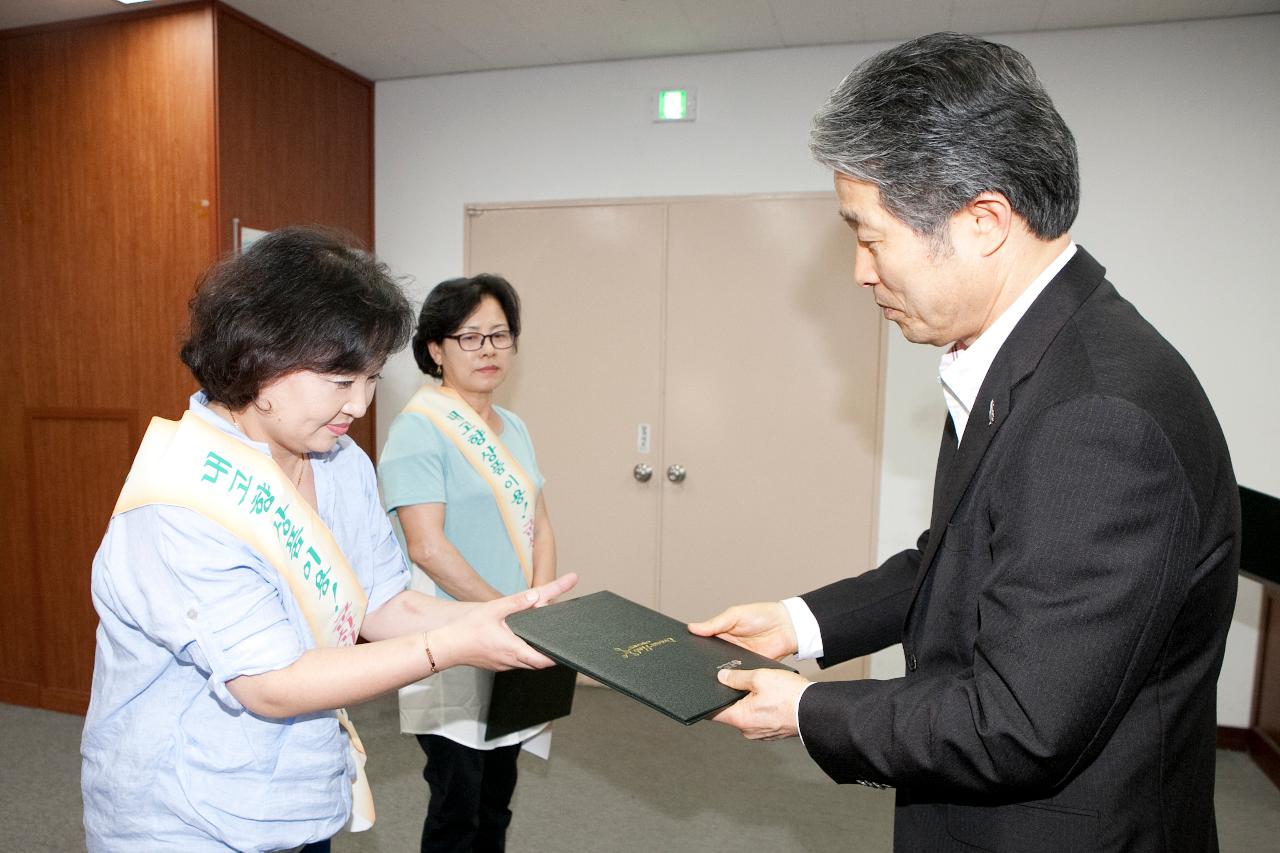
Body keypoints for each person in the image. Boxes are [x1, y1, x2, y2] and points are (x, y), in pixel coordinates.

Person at [690, 32, 1239, 852]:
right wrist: (799, 623)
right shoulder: (1038, 354)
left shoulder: (1096, 416)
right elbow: (966, 559)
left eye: (871, 236)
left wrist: (803, 709)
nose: (859, 271)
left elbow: (1019, 722)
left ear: (983, 220)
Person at [80, 228, 576, 853]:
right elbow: (271, 683)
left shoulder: (341, 464)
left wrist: (494, 618)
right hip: (185, 817)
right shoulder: (182, 497)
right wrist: (450, 645)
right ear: (258, 360)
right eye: (341, 381)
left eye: (370, 380)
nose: (361, 406)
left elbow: (382, 601)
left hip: (298, 794)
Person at [378, 273, 557, 853]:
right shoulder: (418, 430)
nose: (487, 350)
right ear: (435, 349)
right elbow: (426, 546)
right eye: (469, 336)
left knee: (496, 798)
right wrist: (502, 613)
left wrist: (540, 603)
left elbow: (540, 520)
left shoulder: (516, 426)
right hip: (453, 636)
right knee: (458, 802)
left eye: (499, 336)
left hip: (515, 633)